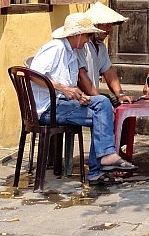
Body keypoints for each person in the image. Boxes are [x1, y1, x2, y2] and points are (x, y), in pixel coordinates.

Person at [30, 12, 138, 186]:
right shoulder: (56, 48)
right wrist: (63, 88)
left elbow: (72, 83)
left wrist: (80, 95)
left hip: (63, 103)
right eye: (87, 35)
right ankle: (100, 166)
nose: (89, 39)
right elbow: (34, 75)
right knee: (101, 115)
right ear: (77, 34)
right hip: (49, 107)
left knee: (102, 102)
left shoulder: (72, 52)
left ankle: (104, 159)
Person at [79, 2, 133, 105]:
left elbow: (109, 72)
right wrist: (99, 100)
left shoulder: (101, 47)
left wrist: (120, 94)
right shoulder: (82, 46)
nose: (109, 29)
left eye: (111, 25)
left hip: (92, 96)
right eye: (106, 25)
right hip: (82, 98)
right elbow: (81, 77)